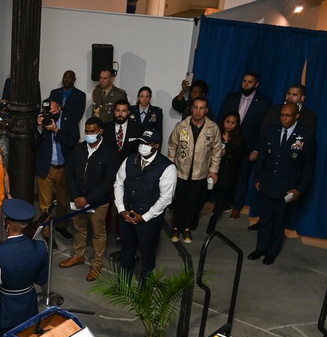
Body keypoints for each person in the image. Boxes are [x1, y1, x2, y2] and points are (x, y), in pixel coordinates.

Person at [249, 103, 316, 265]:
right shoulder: (271, 130)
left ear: (296, 116)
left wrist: (299, 189)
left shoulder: (305, 136)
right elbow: (262, 157)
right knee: (264, 218)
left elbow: (308, 167)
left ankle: (272, 252)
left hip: (287, 188)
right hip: (267, 183)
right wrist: (258, 179)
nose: (284, 118)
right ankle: (261, 248)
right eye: (282, 115)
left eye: (288, 116)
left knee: (279, 221)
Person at [114, 130, 177, 281]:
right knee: (126, 251)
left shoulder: (167, 167)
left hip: (149, 221)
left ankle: (145, 287)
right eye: (141, 143)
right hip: (127, 216)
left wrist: (145, 217)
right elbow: (118, 184)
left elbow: (166, 199)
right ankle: (124, 283)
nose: (143, 146)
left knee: (147, 254)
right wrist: (121, 210)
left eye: (147, 144)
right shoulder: (129, 160)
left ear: (156, 146)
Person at [63, 118, 118, 281]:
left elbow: (108, 182)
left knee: (98, 233)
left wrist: (88, 199)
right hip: (77, 199)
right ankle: (78, 255)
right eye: (86, 131)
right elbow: (69, 173)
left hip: (97, 201)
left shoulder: (109, 153)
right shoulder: (78, 149)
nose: (89, 134)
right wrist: (75, 196)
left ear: (100, 131)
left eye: (92, 131)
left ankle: (96, 263)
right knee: (79, 229)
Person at [0, 200, 48, 337]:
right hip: (29, 305)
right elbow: (41, 280)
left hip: (5, 309)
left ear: (7, 224)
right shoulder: (40, 246)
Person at [165, 97, 222, 245]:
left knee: (193, 202)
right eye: (195, 107)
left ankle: (187, 228)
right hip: (181, 172)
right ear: (191, 108)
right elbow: (172, 147)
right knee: (179, 201)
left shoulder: (212, 128)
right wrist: (170, 168)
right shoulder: (181, 126)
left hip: (200, 174)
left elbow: (216, 151)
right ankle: (176, 227)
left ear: (206, 110)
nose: (198, 111)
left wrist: (213, 170)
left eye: (202, 108)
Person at [219, 71, 271, 216]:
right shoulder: (231, 98)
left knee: (242, 176)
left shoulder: (264, 102)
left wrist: (257, 149)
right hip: (228, 144)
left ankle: (237, 206)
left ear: (256, 84)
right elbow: (221, 119)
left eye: (250, 82)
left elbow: (263, 128)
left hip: (248, 146)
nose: (246, 84)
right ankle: (224, 203)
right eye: (244, 81)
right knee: (225, 174)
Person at [34, 98, 79, 240]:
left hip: (63, 168)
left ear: (59, 108)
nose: (51, 114)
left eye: (53, 111)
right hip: (45, 168)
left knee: (63, 202)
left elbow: (73, 142)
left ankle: (60, 226)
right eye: (48, 112)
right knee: (44, 205)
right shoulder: (42, 121)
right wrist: (40, 127)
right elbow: (34, 144)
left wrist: (56, 130)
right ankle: (46, 232)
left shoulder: (69, 120)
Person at [209, 113, 245, 231]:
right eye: (227, 122)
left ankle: (214, 219)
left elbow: (239, 156)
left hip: (228, 170)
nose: (229, 125)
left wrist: (227, 154)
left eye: (233, 123)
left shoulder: (239, 138)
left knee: (222, 193)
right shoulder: (216, 133)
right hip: (213, 168)